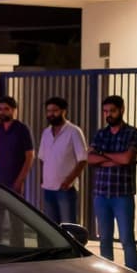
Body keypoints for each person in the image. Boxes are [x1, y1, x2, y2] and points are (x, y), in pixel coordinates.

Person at [87, 95, 137, 271]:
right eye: (105, 111)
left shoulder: (132, 132)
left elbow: (127, 159)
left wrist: (103, 154)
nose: (108, 114)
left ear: (121, 110)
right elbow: (89, 158)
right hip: (101, 193)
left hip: (122, 194)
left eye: (112, 111)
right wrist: (114, 158)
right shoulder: (101, 134)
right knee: (104, 239)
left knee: (127, 239)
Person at [0, 95, 34, 244]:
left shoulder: (22, 130)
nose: (2, 112)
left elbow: (29, 156)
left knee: (16, 219)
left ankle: (18, 247)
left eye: (6, 109)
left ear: (13, 110)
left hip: (15, 181)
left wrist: (20, 180)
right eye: (0, 109)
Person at [37, 96, 88, 224]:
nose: (51, 114)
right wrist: (43, 179)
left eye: (55, 110)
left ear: (64, 111)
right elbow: (42, 158)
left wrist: (69, 180)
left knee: (68, 227)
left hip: (65, 189)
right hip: (48, 188)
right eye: (48, 111)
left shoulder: (74, 131)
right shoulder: (46, 133)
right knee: (51, 227)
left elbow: (83, 159)